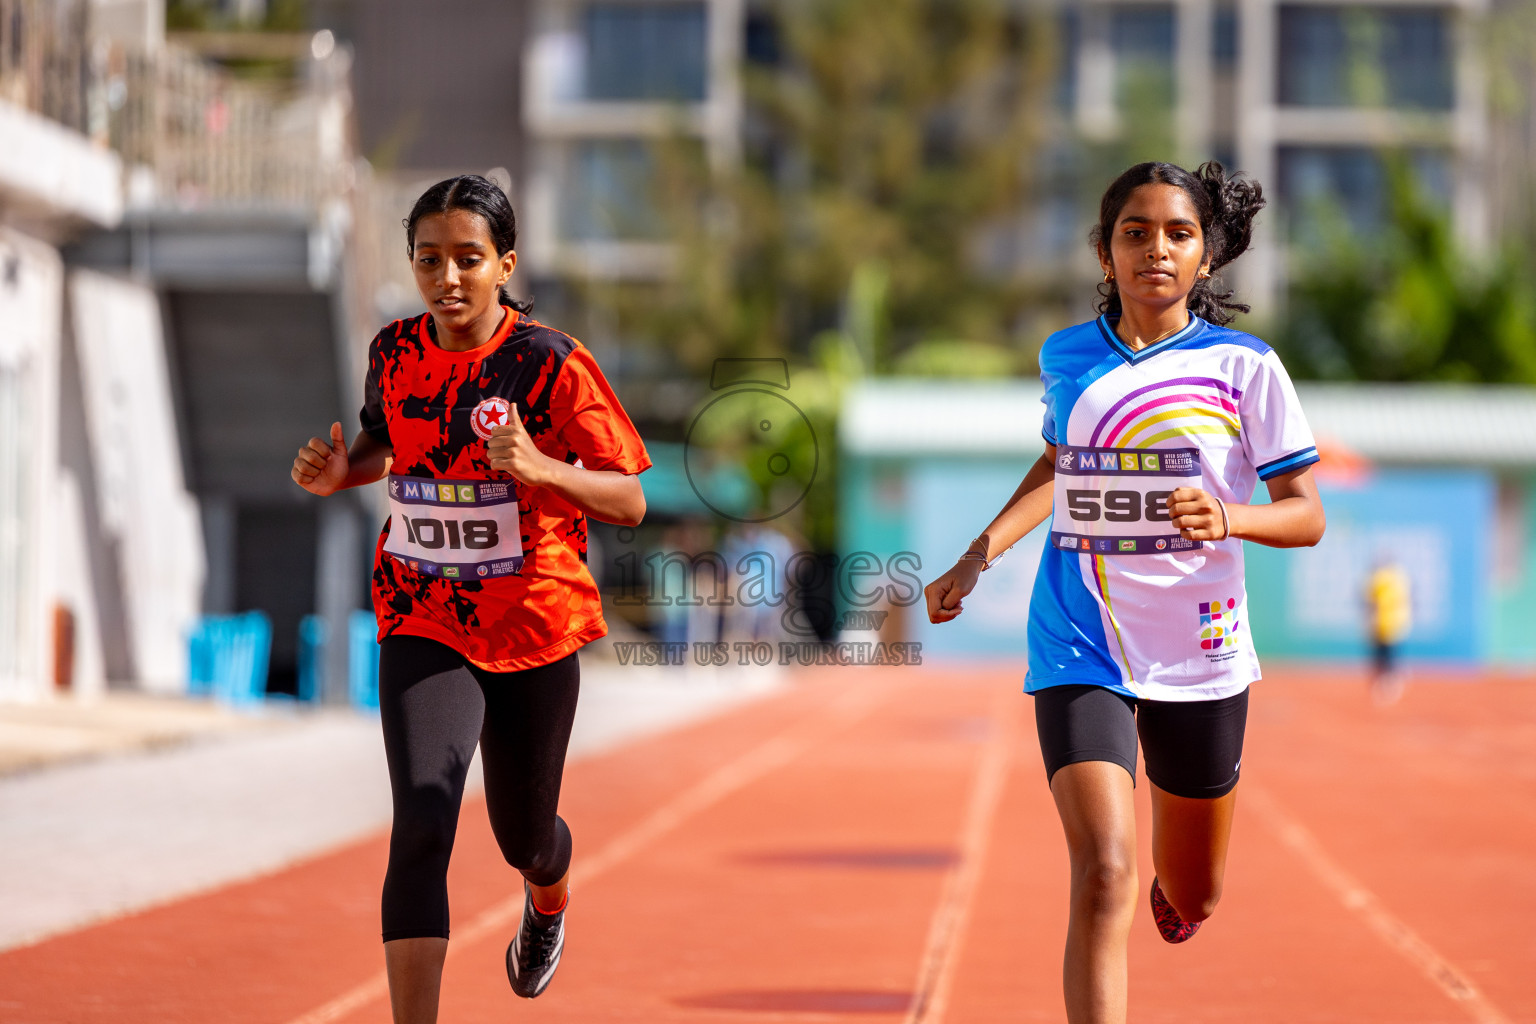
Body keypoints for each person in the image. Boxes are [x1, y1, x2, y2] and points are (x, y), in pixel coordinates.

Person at [923, 162, 1325, 1024]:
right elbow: (1060, 463)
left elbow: (1306, 516)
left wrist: (1227, 516)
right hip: (1081, 635)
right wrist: (977, 554)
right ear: (1105, 254)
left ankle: (1181, 889)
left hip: (1199, 649)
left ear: (1205, 255)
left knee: (1195, 892)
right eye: (1134, 232)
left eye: (1177, 233)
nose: (1156, 248)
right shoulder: (1067, 355)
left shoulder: (1246, 368)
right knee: (1103, 866)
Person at [291, 174, 650, 1020]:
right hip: (424, 612)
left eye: (467, 259)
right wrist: (342, 471)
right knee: (421, 821)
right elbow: (386, 445)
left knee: (524, 835)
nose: (446, 279)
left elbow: (629, 497)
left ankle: (550, 895)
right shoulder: (394, 351)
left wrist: (539, 469)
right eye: (428, 260)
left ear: (504, 264)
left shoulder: (549, 362)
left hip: (533, 623)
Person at [1365, 556, 1412, 702]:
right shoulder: (1400, 577)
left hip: (1387, 625)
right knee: (1388, 660)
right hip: (1391, 625)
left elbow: (1371, 602)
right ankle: (1389, 686)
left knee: (1385, 660)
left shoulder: (1379, 579)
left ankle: (1389, 686)